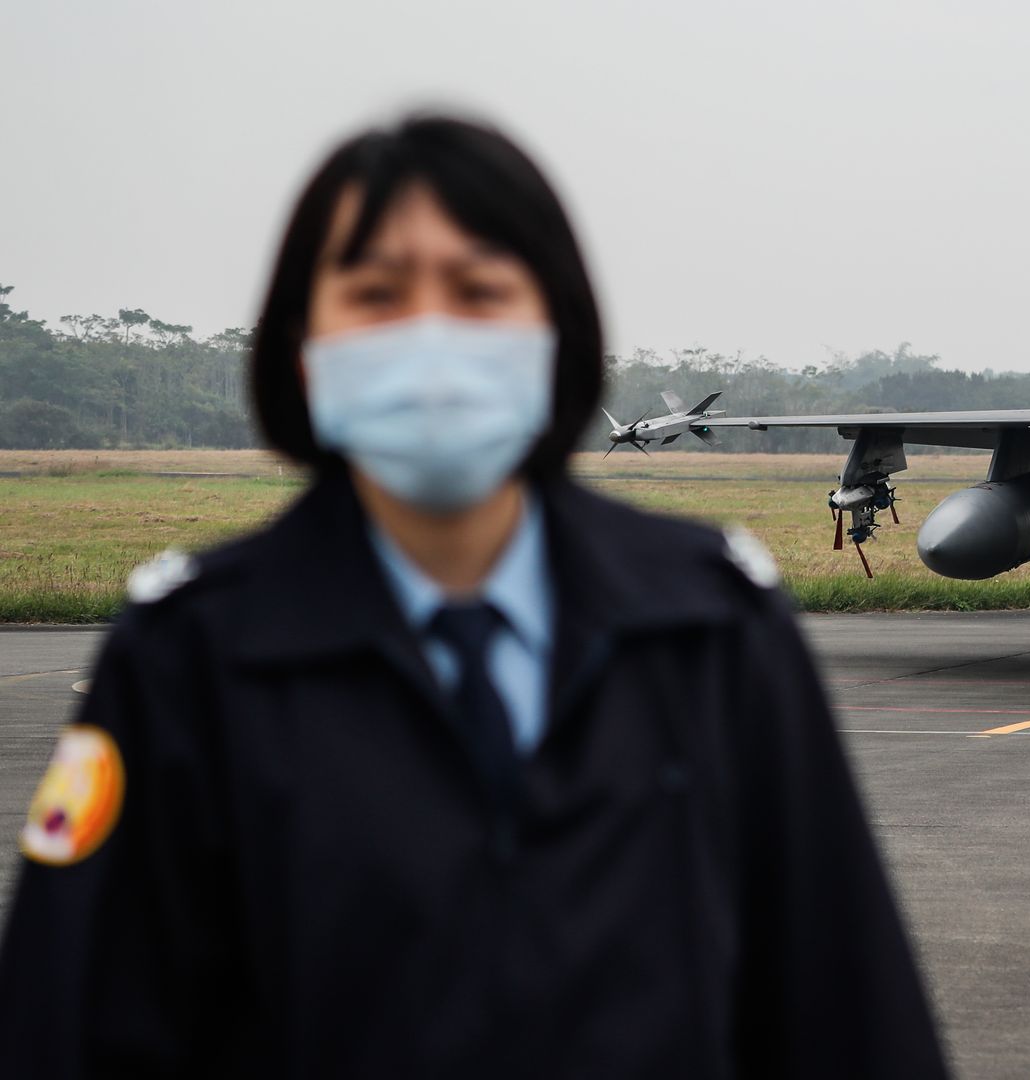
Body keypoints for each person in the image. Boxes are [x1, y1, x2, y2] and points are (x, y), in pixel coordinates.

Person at [0, 115, 949, 1078]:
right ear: (299, 349)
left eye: (481, 292)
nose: (432, 337)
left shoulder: (712, 627)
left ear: (557, 336)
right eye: (375, 295)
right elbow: (67, 1024)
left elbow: (849, 1011)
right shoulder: (186, 657)